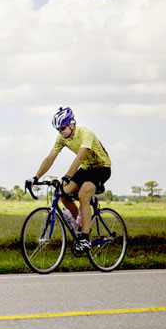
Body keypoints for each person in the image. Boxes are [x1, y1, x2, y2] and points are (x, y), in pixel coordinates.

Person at [28, 107, 111, 254]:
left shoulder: (86, 133)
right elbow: (50, 158)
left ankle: (85, 237)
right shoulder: (61, 138)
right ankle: (81, 226)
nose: (61, 132)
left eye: (63, 128)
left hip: (101, 168)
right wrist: (35, 177)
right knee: (63, 193)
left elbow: (79, 157)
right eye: (58, 130)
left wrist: (67, 176)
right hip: (86, 169)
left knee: (83, 193)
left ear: (72, 124)